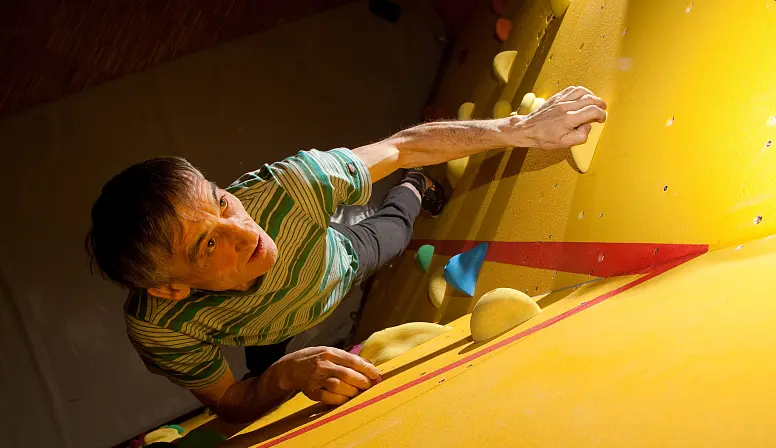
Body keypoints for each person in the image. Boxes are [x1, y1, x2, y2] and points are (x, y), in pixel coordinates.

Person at [86, 86, 606, 423]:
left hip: (337, 261)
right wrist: (287, 374)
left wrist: (521, 129)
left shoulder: (290, 189)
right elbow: (225, 399)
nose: (245, 231)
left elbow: (403, 145)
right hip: (265, 336)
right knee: (270, 368)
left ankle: (416, 188)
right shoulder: (159, 328)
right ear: (169, 288)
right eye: (208, 243)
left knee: (395, 231)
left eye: (221, 202)